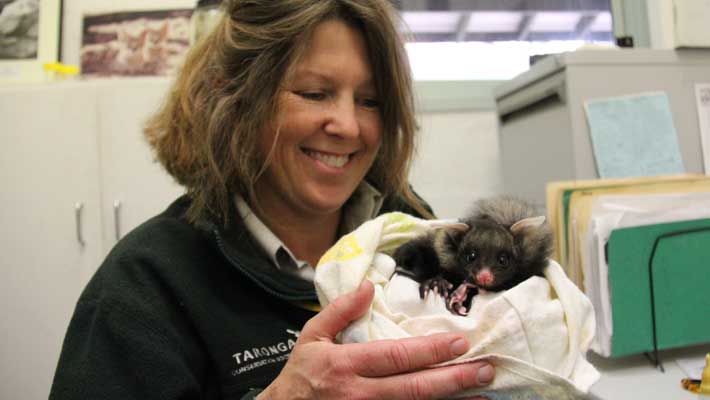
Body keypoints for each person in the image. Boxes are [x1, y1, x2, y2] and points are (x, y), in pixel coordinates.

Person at [50, 0, 496, 399]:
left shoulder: (413, 231)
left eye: (370, 101)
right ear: (237, 98)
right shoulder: (146, 283)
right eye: (314, 93)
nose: (348, 126)